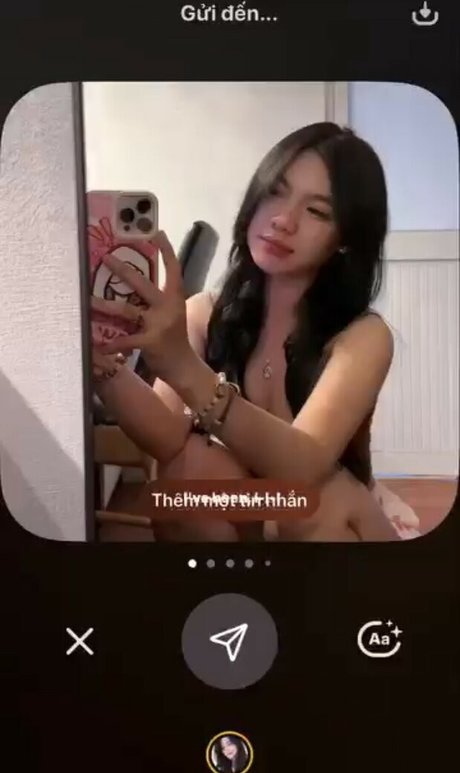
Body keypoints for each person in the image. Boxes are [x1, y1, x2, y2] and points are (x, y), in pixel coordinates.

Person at [92, 121, 420, 542]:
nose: (283, 220)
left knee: (321, 504)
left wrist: (182, 366)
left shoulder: (363, 337)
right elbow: (165, 436)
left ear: (346, 237)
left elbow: (302, 467)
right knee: (185, 473)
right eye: (275, 192)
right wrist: (101, 359)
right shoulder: (204, 313)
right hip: (258, 511)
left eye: (317, 211)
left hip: (333, 524)